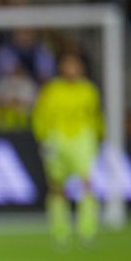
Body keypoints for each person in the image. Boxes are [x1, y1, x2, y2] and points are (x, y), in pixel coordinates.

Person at [32, 51, 103, 247]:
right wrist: (44, 138)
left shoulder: (89, 90)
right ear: (61, 67)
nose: (72, 69)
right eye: (68, 64)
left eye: (75, 65)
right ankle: (59, 231)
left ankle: (87, 229)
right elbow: (40, 116)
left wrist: (97, 136)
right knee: (56, 186)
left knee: (87, 183)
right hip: (58, 139)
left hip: (82, 138)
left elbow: (95, 116)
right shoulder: (52, 90)